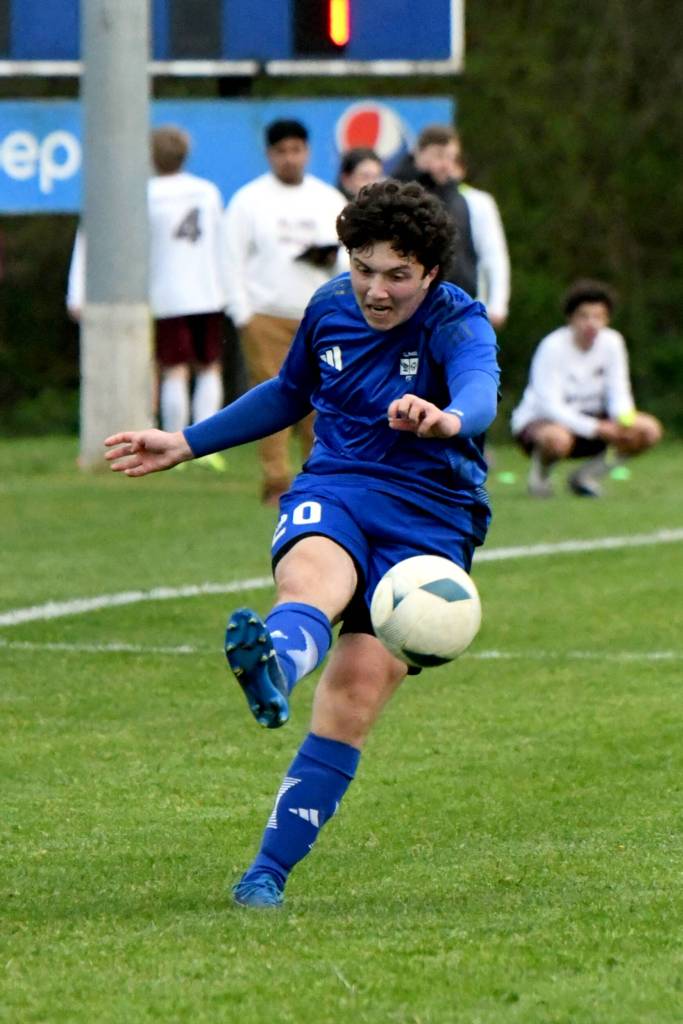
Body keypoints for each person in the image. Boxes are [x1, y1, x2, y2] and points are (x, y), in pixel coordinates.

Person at [104, 180, 500, 910]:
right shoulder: (327, 308)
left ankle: (267, 873)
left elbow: (479, 391)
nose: (375, 290)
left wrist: (445, 419)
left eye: (396, 275)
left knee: (352, 696)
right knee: (310, 581)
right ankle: (276, 668)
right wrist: (186, 441)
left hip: (431, 519)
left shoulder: (457, 322)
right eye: (362, 268)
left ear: (431, 273)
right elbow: (290, 393)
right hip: (339, 483)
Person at [67, 126, 228, 451]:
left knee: (173, 370)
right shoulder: (207, 191)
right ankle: (210, 445)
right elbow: (221, 244)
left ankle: (176, 438)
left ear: (151, 157)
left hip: (165, 293)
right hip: (207, 291)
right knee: (209, 366)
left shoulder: (143, 194)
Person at [223, 118, 348, 505]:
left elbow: (350, 257)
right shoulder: (249, 200)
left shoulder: (327, 199)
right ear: (269, 155)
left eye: (296, 151)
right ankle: (276, 480)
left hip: (317, 315)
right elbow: (230, 258)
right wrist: (242, 311)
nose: (290, 159)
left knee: (321, 399)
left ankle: (317, 476)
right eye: (282, 152)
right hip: (266, 312)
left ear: (307, 153)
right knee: (272, 399)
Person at [511, 279, 663, 497]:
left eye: (598, 317)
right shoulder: (552, 346)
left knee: (648, 430)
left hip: (595, 421)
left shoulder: (613, 343)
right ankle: (540, 478)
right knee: (557, 439)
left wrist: (621, 419)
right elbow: (549, 405)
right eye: (584, 316)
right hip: (545, 424)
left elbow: (618, 389)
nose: (591, 323)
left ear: (607, 319)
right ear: (570, 318)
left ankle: (586, 477)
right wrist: (596, 428)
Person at [393, 124, 510, 328]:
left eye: (451, 157)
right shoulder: (395, 198)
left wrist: (498, 304)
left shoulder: (469, 201)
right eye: (439, 156)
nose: (446, 165)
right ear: (418, 154)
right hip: (406, 310)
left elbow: (493, 255)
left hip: (459, 309)